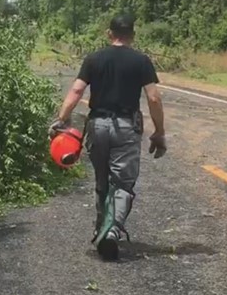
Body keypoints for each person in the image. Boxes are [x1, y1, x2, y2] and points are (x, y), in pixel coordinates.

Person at [49, 14, 167, 261]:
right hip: (125, 127)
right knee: (122, 183)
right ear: (132, 35)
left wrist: (62, 118)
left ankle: (101, 228)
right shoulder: (141, 61)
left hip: (97, 126)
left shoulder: (94, 59)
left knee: (103, 182)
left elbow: (77, 89)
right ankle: (111, 232)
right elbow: (154, 98)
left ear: (109, 34)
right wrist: (159, 131)